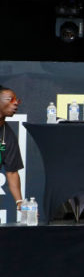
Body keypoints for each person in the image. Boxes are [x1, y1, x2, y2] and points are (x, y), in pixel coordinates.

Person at [0, 86, 24, 216]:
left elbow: (12, 172)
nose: (15, 103)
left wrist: (20, 202)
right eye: (10, 99)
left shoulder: (8, 135)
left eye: (16, 100)